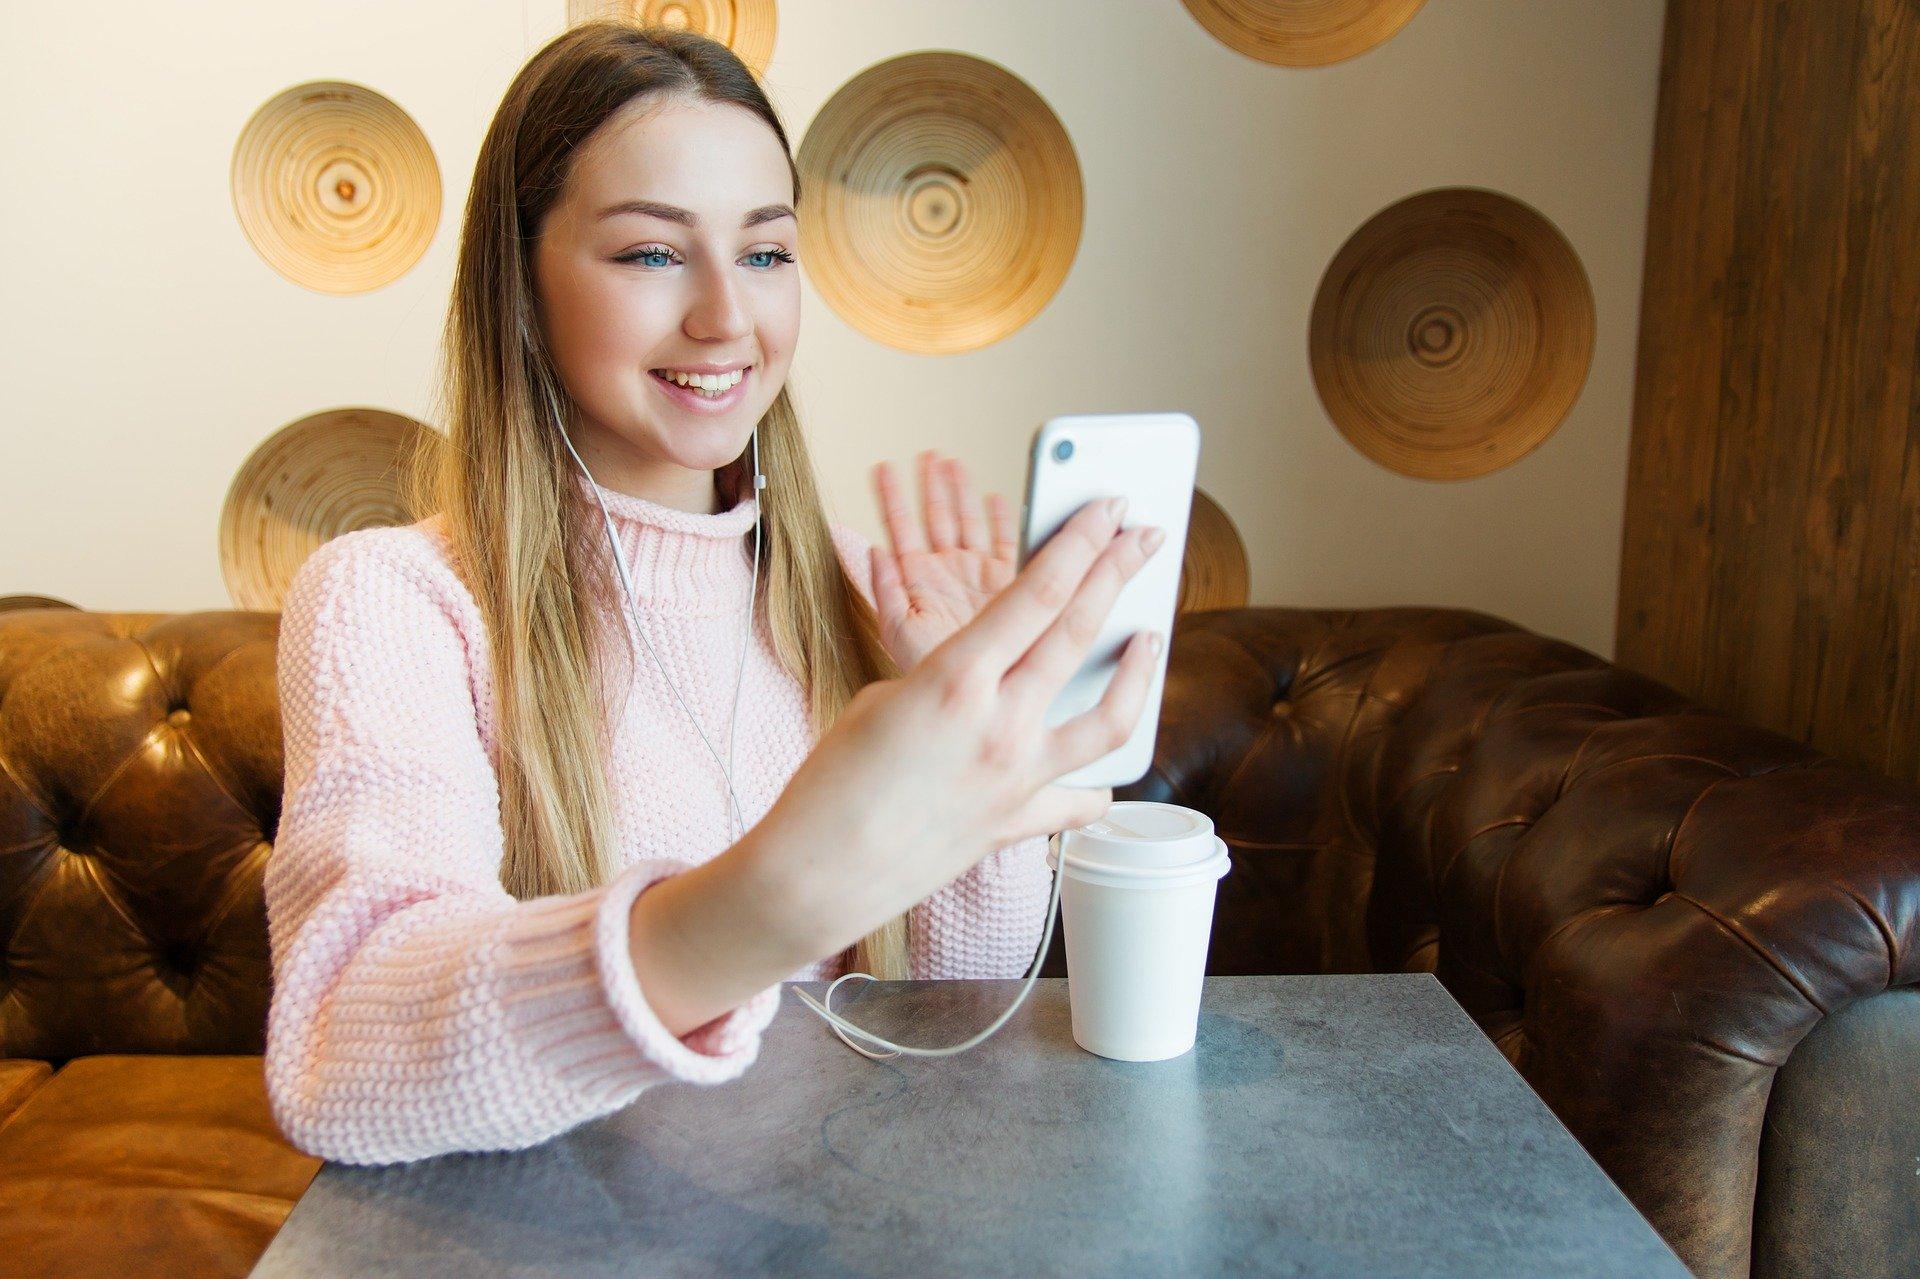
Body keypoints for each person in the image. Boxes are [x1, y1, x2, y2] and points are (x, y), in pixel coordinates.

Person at [263, 20, 1166, 1166]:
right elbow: (346, 1052)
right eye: (651, 254)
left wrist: (982, 781)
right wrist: (771, 900)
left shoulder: (860, 588)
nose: (727, 318)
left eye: (766, 252)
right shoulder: (391, 602)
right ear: (522, 284)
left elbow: (944, 1043)